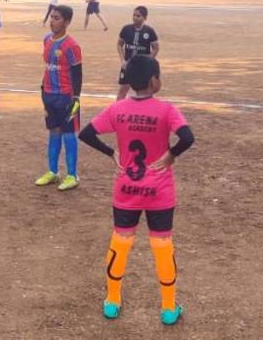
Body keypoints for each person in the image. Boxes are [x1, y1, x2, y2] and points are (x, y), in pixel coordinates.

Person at [77, 55, 194, 325]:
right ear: (154, 81)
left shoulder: (118, 110)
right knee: (162, 245)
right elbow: (187, 137)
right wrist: (171, 155)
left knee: (121, 241)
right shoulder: (166, 110)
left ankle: (112, 301)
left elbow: (86, 133)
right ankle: (168, 308)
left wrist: (111, 153)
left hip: (126, 189)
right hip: (160, 191)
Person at [34, 5, 83, 192]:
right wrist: (43, 91)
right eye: (52, 17)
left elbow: (77, 73)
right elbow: (48, 67)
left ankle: (72, 175)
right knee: (53, 132)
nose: (52, 21)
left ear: (67, 22)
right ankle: (52, 172)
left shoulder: (72, 46)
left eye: (57, 18)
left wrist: (76, 97)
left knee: (69, 134)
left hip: (66, 96)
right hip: (49, 94)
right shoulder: (46, 40)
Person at [117, 6, 160, 100]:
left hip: (142, 68)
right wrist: (122, 61)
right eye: (134, 15)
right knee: (123, 90)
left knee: (146, 91)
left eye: (138, 16)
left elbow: (156, 48)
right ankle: (117, 110)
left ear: (145, 18)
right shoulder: (126, 29)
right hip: (128, 65)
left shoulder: (149, 31)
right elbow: (120, 45)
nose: (135, 18)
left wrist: (148, 61)